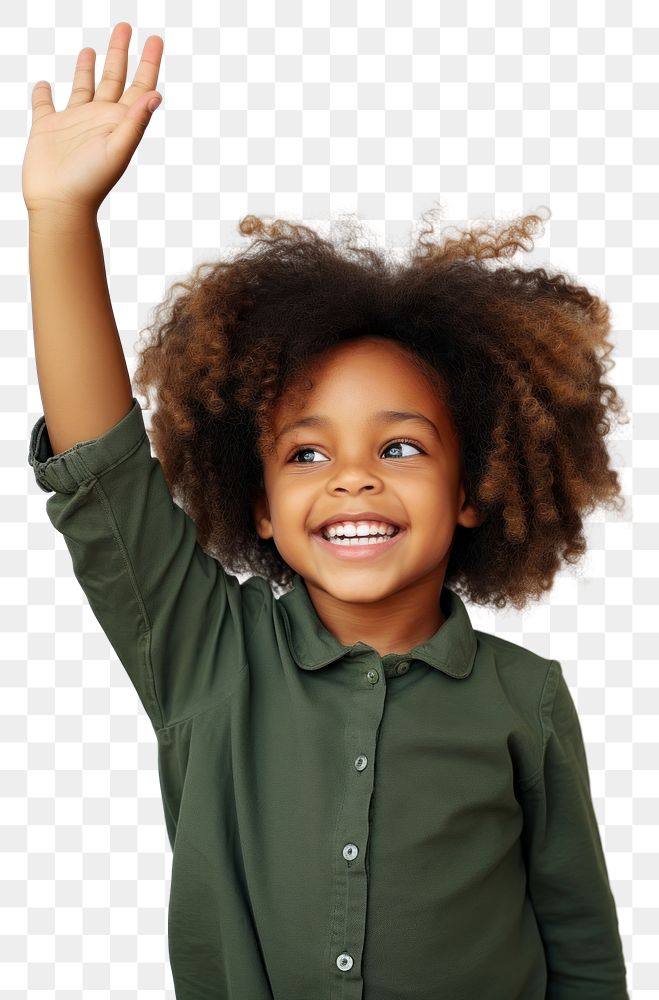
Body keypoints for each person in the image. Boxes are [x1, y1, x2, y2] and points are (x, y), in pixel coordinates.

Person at [23, 21, 630, 1000]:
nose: (352, 477)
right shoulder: (202, 656)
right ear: (256, 503)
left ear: (473, 485)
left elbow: (581, 950)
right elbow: (102, 472)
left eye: (398, 446)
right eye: (307, 452)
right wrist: (60, 217)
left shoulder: (525, 699)